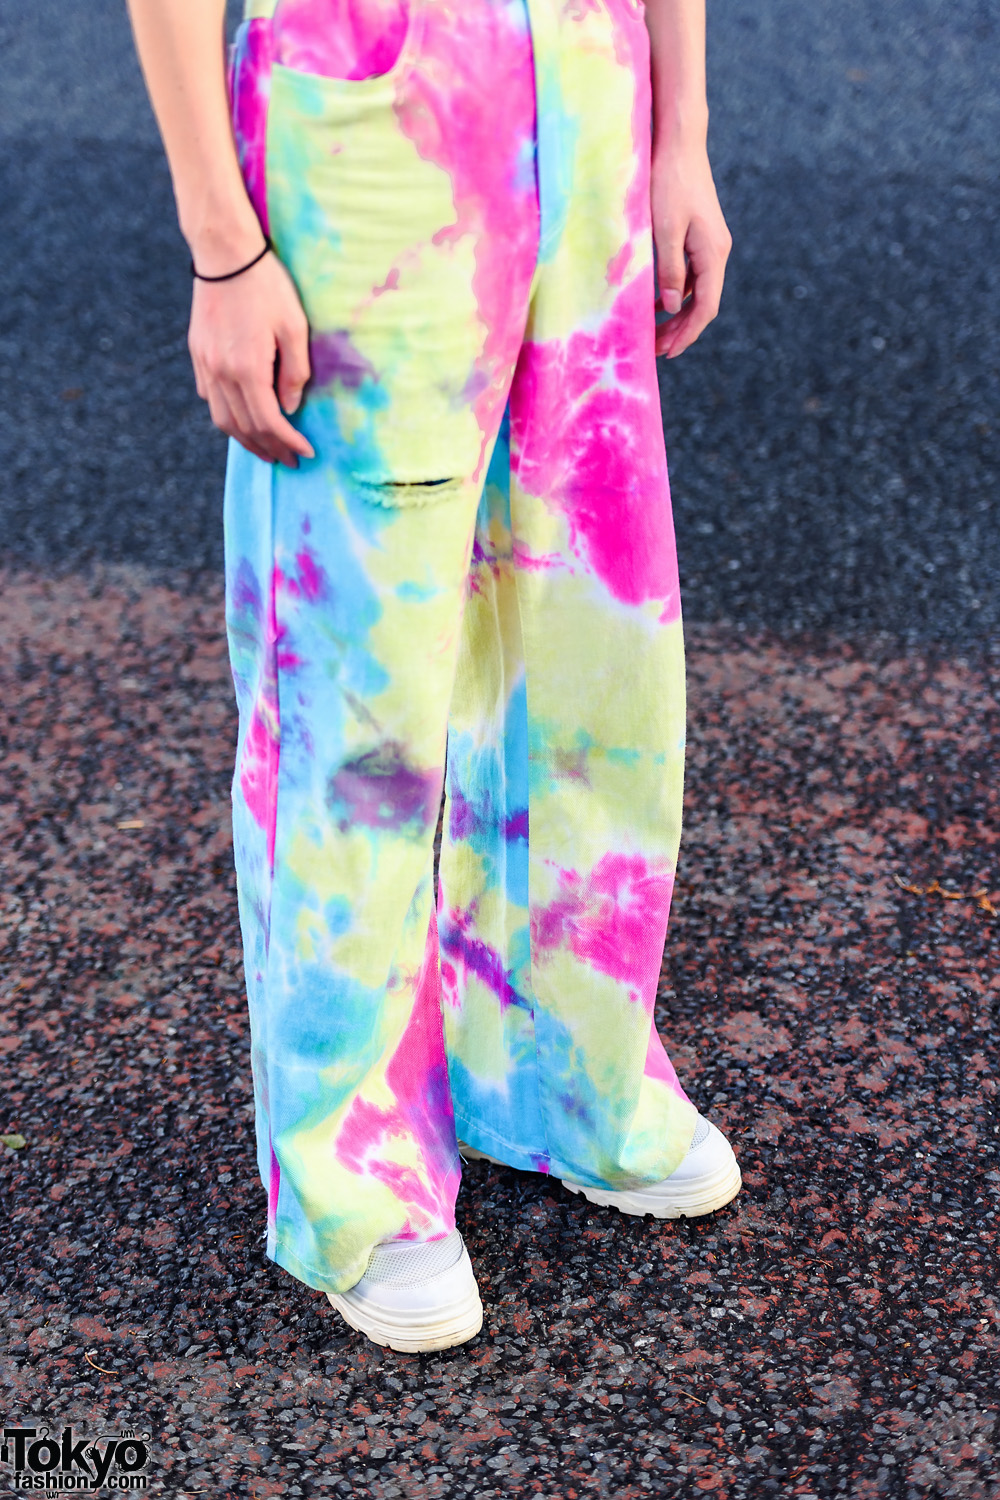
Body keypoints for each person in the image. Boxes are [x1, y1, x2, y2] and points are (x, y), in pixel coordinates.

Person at [126, 0, 739, 1354]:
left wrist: (679, 128)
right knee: (361, 679)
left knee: (593, 639)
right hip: (367, 100)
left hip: (588, 73)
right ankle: (353, 1176)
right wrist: (224, 250)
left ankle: (569, 1077)